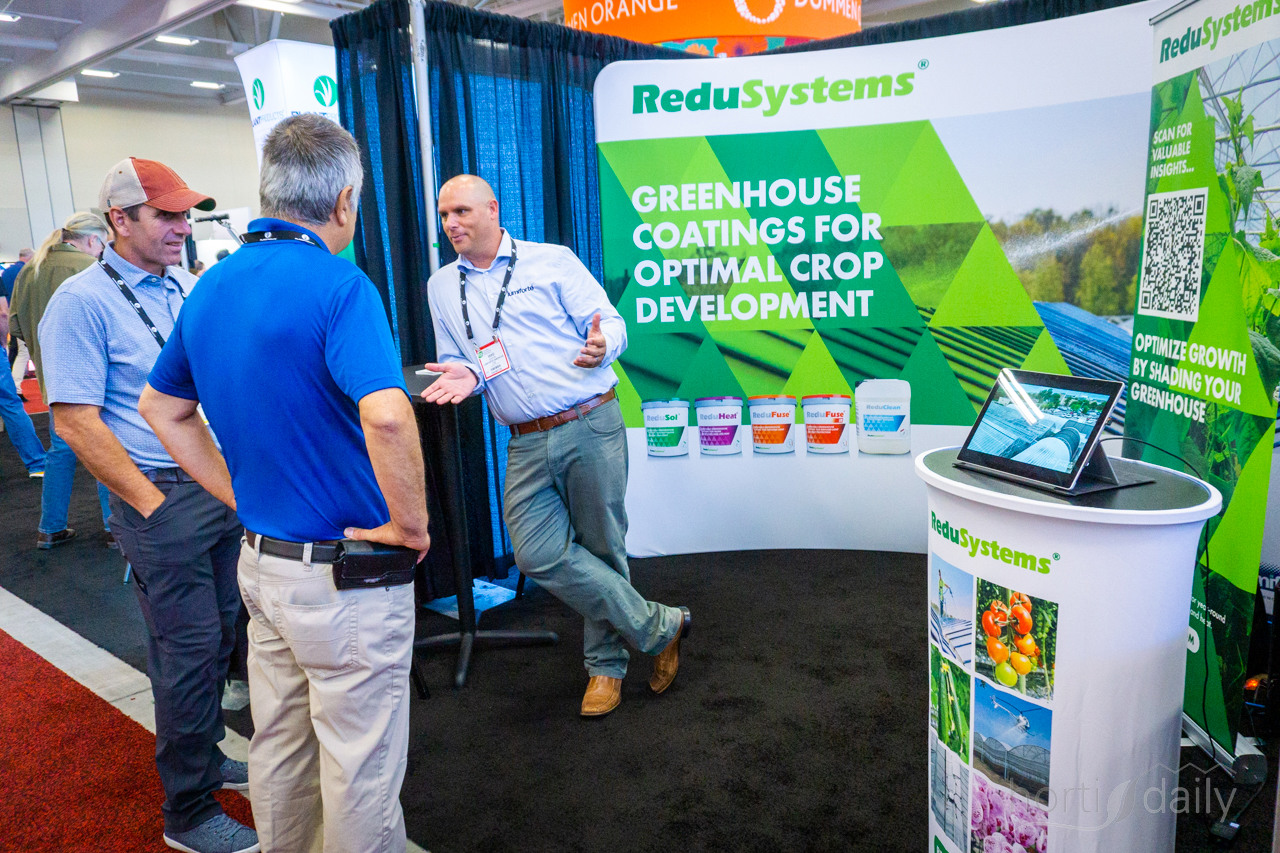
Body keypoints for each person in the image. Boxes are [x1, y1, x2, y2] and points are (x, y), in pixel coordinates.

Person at [140, 114, 430, 853]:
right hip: (345, 577)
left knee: (279, 750)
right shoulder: (341, 285)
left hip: (261, 564)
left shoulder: (209, 286)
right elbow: (388, 415)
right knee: (360, 769)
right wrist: (411, 527)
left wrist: (239, 496)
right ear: (343, 202)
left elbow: (161, 408)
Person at [38, 157, 257, 853]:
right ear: (120, 220)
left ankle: (205, 753)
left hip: (214, 486)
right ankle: (187, 812)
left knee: (220, 637)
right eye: (166, 215)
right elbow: (75, 421)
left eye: (185, 214)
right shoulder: (81, 301)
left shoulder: (186, 286)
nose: (182, 226)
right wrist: (149, 503)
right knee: (187, 652)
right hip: (160, 497)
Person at [422, 174, 691, 718]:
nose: (451, 223)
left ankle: (605, 667)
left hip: (588, 421)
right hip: (522, 440)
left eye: (461, 211)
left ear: (492, 210)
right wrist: (467, 375)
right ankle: (661, 626)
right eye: (444, 214)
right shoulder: (441, 286)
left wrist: (603, 345)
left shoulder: (551, 261)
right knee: (535, 553)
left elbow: (610, 323)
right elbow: (460, 358)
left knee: (602, 546)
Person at [10, 212, 110, 547]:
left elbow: (16, 327)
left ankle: (50, 528)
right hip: (95, 376)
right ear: (93, 239)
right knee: (106, 448)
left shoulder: (30, 270)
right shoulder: (92, 268)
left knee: (61, 449)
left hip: (53, 379)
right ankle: (114, 527)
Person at [4, 248, 33, 389]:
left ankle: (11, 384)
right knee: (23, 353)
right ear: (30, 258)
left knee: (13, 351)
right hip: (23, 317)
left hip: (9, 316)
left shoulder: (6, 272)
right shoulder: (27, 272)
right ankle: (16, 387)